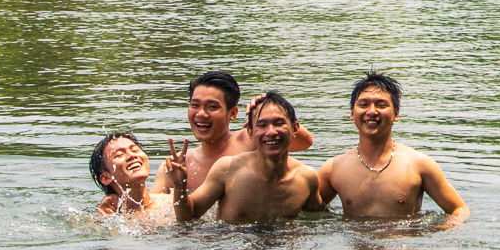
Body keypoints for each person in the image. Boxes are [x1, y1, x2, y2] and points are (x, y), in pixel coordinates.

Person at [318, 71, 468, 226]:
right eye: (363, 105)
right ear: (352, 113)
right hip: (354, 249)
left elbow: (460, 210)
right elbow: (308, 211)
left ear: (396, 114)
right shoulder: (334, 169)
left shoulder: (419, 164)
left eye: (381, 105)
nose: (371, 111)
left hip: (405, 247)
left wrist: (436, 236)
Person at [163, 91, 325, 223]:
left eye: (279, 123)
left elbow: (319, 219)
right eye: (262, 125)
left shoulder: (306, 177)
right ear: (250, 132)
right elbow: (187, 218)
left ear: (295, 128)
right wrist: (180, 186)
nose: (271, 132)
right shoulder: (227, 169)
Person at [168, 70, 313, 192]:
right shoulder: (178, 164)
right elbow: (152, 208)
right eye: (195, 105)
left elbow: (305, 142)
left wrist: (269, 108)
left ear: (233, 113)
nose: (201, 114)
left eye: (212, 107)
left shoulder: (251, 139)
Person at [89, 132, 175, 225]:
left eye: (135, 150)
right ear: (105, 178)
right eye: (119, 155)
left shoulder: (172, 203)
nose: (132, 156)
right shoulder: (105, 219)